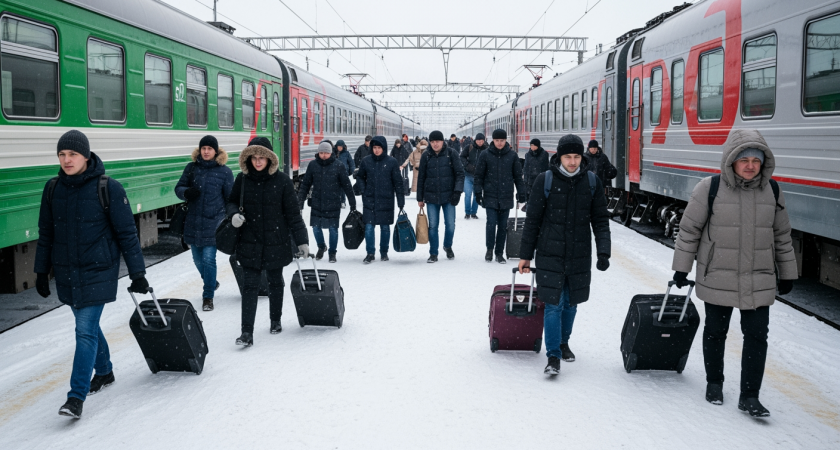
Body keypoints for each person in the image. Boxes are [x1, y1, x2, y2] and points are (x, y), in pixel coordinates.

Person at [671, 129, 797, 417]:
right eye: (744, 160)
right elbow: (689, 231)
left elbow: (782, 235)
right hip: (718, 273)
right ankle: (714, 382)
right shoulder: (709, 188)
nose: (751, 165)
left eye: (756, 160)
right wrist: (681, 268)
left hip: (758, 276)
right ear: (731, 161)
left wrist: (788, 272)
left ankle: (750, 395)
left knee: (756, 336)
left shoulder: (773, 191)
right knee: (716, 332)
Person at [35, 130, 149, 419]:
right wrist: (40, 271)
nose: (66, 160)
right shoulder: (52, 189)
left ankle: (75, 397)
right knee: (90, 327)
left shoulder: (108, 188)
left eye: (72, 154)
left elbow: (127, 235)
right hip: (67, 272)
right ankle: (106, 371)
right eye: (61, 155)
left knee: (84, 331)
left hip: (98, 270)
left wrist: (138, 273)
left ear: (86, 155)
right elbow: (46, 233)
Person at [518, 134, 611, 376]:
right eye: (568, 157)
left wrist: (604, 251)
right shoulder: (545, 180)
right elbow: (533, 221)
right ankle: (553, 356)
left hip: (579, 253)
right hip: (550, 251)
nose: (572, 162)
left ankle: (563, 342)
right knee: (553, 304)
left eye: (577, 156)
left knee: (571, 304)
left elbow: (600, 221)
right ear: (559, 156)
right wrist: (525, 255)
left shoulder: (592, 182)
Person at [227, 137, 309, 347]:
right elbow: (232, 202)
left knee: (275, 282)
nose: (257, 161)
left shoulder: (282, 181)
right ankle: (246, 333)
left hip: (276, 240)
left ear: (269, 159)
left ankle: (275, 320)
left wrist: (302, 241)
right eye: (254, 157)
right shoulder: (242, 180)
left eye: (262, 157)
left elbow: (293, 214)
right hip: (249, 240)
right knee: (250, 286)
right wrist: (234, 214)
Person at [174, 135, 234, 311]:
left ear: (216, 151)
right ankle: (212, 282)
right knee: (197, 260)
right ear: (200, 150)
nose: (206, 151)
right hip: (193, 221)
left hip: (214, 222)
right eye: (203, 148)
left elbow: (230, 198)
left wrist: (230, 218)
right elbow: (178, 188)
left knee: (208, 260)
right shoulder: (191, 168)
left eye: (209, 148)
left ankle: (208, 297)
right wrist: (186, 192)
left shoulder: (224, 172)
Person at [298, 142, 357, 263]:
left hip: (333, 202)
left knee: (333, 229)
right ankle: (321, 246)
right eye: (321, 153)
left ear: (331, 153)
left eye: (326, 153)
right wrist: (300, 201)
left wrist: (352, 202)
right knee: (315, 228)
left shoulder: (339, 165)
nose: (324, 155)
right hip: (317, 202)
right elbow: (305, 185)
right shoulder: (313, 165)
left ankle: (332, 252)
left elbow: (347, 185)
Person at [474, 129, 526, 263]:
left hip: (506, 195)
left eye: (502, 141)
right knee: (491, 224)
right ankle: (489, 249)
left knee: (503, 226)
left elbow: (518, 177)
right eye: (497, 140)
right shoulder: (485, 155)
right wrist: (478, 192)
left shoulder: (512, 156)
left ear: (505, 141)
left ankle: (499, 252)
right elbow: (479, 176)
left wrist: (521, 193)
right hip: (490, 194)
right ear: (492, 141)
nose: (499, 143)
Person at [417, 130, 465, 263]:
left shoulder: (451, 154)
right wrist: (420, 198)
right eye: (432, 142)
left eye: (437, 141)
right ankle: (433, 253)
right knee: (433, 226)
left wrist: (457, 192)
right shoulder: (426, 156)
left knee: (450, 225)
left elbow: (460, 174)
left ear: (442, 141)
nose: (435, 144)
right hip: (431, 197)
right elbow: (421, 178)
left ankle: (447, 245)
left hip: (449, 196)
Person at [355, 135, 406, 263]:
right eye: (374, 147)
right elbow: (360, 177)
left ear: (384, 148)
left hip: (386, 199)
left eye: (379, 148)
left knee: (385, 227)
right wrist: (363, 189)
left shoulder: (391, 162)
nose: (376, 150)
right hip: (369, 199)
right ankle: (370, 253)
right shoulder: (366, 161)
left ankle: (384, 252)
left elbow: (398, 182)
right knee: (369, 227)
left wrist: (401, 201)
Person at [460, 133, 488, 220]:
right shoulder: (469, 147)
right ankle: (467, 212)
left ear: (484, 141)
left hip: (479, 177)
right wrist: (467, 165)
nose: (480, 142)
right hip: (468, 175)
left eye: (482, 141)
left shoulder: (487, 149)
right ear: (475, 140)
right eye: (478, 140)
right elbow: (462, 157)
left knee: (477, 195)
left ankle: (474, 213)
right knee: (468, 194)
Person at [522, 138, 549, 207]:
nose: (532, 147)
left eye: (534, 145)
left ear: (538, 146)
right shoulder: (528, 155)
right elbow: (526, 168)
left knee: (539, 201)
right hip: (529, 182)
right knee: (529, 201)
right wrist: (525, 181)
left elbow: (546, 168)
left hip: (540, 181)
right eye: (531, 145)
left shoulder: (544, 155)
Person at [334, 139, 355, 208]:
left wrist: (352, 170)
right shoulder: (333, 153)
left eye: (341, 147)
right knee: (336, 188)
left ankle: (343, 201)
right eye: (338, 147)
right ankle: (336, 201)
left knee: (343, 188)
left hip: (344, 173)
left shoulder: (346, 153)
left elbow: (351, 162)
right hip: (335, 173)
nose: (339, 148)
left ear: (343, 147)